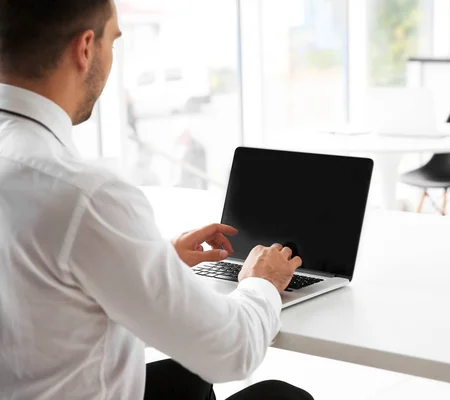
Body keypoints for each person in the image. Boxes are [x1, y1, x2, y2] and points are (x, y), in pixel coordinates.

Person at [0, 1, 313, 399]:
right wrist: (262, 284)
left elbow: (31, 277)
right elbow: (232, 352)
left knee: (187, 380)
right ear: (85, 49)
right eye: (113, 42)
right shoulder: (87, 196)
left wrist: (149, 258)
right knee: (281, 396)